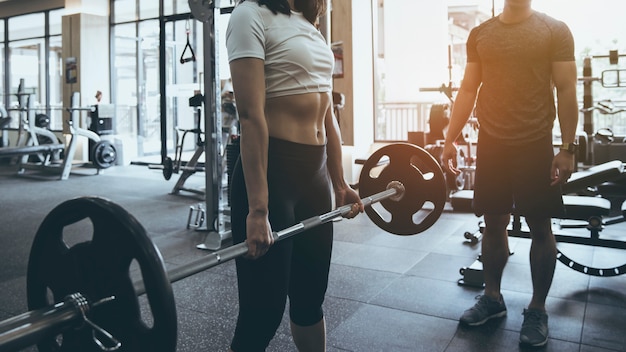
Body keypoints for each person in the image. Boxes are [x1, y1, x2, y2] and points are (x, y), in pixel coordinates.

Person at [225, 0, 364, 351]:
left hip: (314, 177)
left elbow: (327, 112)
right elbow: (250, 115)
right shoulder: (249, 15)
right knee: (263, 311)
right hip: (272, 175)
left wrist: (340, 183)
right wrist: (258, 210)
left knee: (309, 298)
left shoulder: (307, 23)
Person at [441, 0, 578, 348]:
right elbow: (469, 89)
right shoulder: (480, 34)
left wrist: (567, 148)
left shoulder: (555, 30)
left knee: (540, 226)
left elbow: (566, 89)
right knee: (493, 220)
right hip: (493, 142)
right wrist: (450, 139)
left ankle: (537, 308)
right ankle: (492, 298)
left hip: (535, 142)